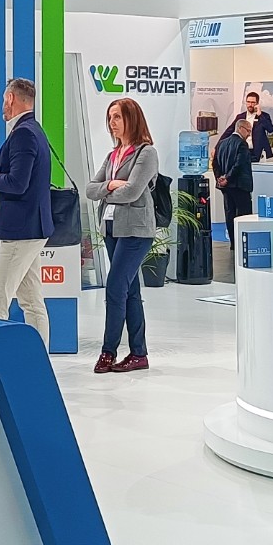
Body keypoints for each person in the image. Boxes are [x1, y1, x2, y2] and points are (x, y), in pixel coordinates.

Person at [0, 78, 53, 347]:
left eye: (3, 100)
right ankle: (39, 356)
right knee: (31, 300)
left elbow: (17, 183)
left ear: (10, 98)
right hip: (31, 226)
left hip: (22, 230)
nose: (2, 106)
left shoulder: (23, 134)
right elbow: (28, 184)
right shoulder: (34, 130)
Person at [84, 98, 158, 374]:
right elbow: (90, 189)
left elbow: (133, 191)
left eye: (117, 117)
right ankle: (139, 354)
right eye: (110, 117)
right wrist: (111, 185)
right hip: (112, 228)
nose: (112, 123)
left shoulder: (146, 153)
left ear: (132, 119)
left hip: (136, 231)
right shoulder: (113, 155)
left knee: (116, 287)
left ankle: (108, 351)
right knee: (130, 291)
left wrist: (106, 190)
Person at [214, 119, 254, 247]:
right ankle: (242, 245)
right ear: (240, 128)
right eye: (248, 130)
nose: (249, 134)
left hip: (226, 187)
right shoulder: (242, 144)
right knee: (243, 215)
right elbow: (239, 164)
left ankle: (233, 243)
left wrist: (220, 178)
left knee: (229, 214)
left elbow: (215, 163)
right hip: (240, 185)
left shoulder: (221, 143)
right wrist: (228, 178)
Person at [221, 91, 273, 160]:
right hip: (243, 150)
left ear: (257, 103)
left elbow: (270, 129)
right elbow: (229, 131)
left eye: (253, 102)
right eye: (248, 102)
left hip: (259, 153)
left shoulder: (264, 116)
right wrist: (217, 147)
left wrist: (260, 115)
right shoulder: (240, 117)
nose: (250, 104)